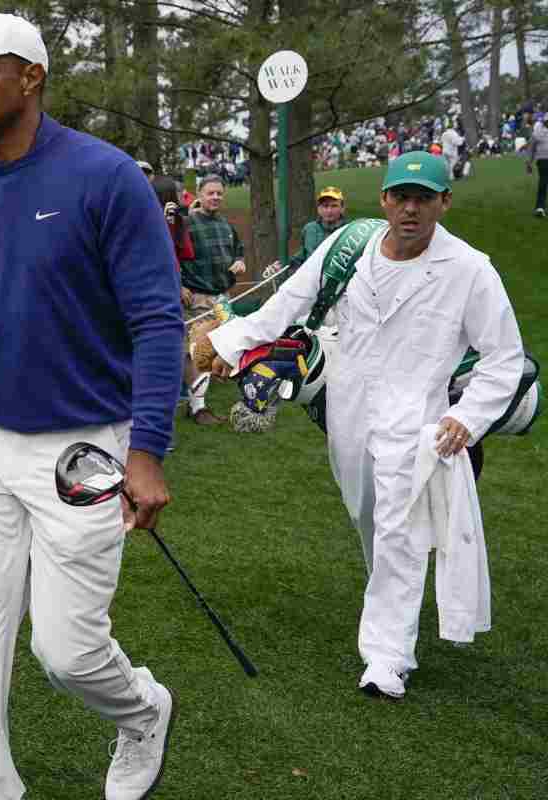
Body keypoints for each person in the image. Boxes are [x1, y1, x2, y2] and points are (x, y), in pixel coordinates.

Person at [0, 15, 182, 800]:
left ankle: (141, 711)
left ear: (30, 77)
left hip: (86, 449)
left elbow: (158, 321)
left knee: (66, 652)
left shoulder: (105, 178)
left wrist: (148, 448)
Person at [208, 152, 524, 699]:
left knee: (399, 534)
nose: (410, 209)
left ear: (444, 203)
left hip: (416, 421)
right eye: (401, 196)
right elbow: (292, 300)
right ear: (383, 199)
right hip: (347, 414)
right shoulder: (348, 247)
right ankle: (391, 617)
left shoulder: (472, 270)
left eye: (424, 198)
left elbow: (504, 357)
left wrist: (465, 417)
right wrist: (228, 342)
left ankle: (387, 658)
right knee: (370, 522)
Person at [179, 174, 245, 426]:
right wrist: (180, 284)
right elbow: (171, 255)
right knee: (199, 352)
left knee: (219, 348)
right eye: (210, 193)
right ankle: (198, 408)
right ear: (199, 194)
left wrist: (240, 260)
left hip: (222, 298)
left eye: (219, 193)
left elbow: (238, 249)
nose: (215, 197)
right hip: (198, 298)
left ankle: (198, 403)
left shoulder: (226, 225)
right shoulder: (186, 224)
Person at [271, 186, 348, 283]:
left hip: (339, 285)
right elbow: (303, 255)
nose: (329, 210)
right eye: (325, 206)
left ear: (342, 208)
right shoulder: (310, 229)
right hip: (311, 283)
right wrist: (284, 264)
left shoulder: (349, 230)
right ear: (318, 209)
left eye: (334, 206)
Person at [527, 113, 548, 217]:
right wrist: (529, 162)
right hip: (543, 160)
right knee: (543, 182)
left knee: (543, 182)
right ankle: (540, 207)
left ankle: (541, 206)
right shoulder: (537, 132)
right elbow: (531, 148)